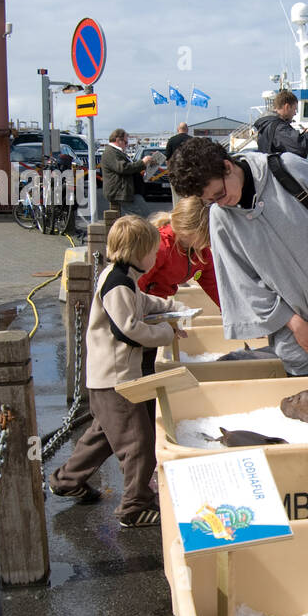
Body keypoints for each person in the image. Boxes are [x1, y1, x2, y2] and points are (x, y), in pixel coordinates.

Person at [168, 137, 308, 376]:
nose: (220, 202)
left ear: (227, 166)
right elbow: (241, 282)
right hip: (291, 321)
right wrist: (293, 322)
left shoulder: (287, 167)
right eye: (210, 200)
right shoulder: (220, 218)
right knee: (305, 397)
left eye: (220, 193)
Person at [48, 214, 183, 529]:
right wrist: (167, 333)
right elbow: (128, 329)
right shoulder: (118, 282)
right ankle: (134, 506)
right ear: (138, 253)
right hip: (118, 379)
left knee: (104, 436)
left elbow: (140, 303)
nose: (155, 257)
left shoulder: (121, 277)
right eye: (152, 252)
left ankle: (67, 480)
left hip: (106, 379)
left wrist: (166, 307)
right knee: (138, 443)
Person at [137, 203, 220, 308]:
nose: (210, 241)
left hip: (160, 302)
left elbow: (214, 287)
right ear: (188, 231)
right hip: (144, 302)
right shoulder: (160, 247)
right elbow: (137, 282)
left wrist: (230, 311)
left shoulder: (201, 252)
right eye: (207, 236)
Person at [100, 128, 152, 220]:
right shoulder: (110, 152)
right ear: (118, 140)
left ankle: (135, 232)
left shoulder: (116, 152)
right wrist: (142, 163)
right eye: (126, 142)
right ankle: (138, 233)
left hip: (125, 191)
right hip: (120, 192)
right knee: (143, 216)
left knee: (142, 215)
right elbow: (123, 168)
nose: (127, 145)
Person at [254, 89, 308, 158]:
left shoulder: (267, 124)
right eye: (294, 109)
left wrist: (304, 134)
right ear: (287, 107)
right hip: (276, 168)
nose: (295, 113)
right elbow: (301, 147)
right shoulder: (277, 127)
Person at [165, 123, 193, 205]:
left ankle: (177, 214)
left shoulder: (171, 140)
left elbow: (168, 160)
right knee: (189, 197)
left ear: (178, 129)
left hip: (175, 173)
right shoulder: (192, 140)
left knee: (176, 198)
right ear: (187, 130)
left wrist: (169, 171)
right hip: (189, 173)